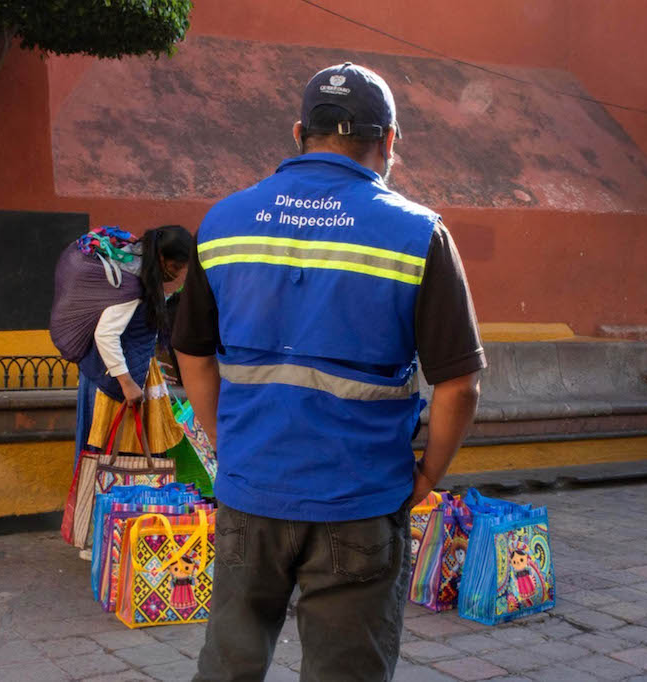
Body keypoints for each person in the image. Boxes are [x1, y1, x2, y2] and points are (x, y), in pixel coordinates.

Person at [173, 62, 484, 681]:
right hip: (360, 498)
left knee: (228, 665)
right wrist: (428, 474)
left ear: (298, 132)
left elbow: (193, 355)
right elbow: (459, 384)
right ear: (389, 140)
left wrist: (230, 444)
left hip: (250, 491)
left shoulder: (222, 223)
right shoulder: (419, 233)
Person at [59, 225, 192, 468]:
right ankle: (116, 504)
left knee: (117, 458)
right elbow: (106, 335)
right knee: (114, 458)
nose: (176, 276)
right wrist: (128, 383)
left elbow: (136, 329)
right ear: (161, 258)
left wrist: (148, 363)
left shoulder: (141, 272)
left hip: (121, 371)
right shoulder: (132, 284)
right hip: (112, 381)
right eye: (174, 267)